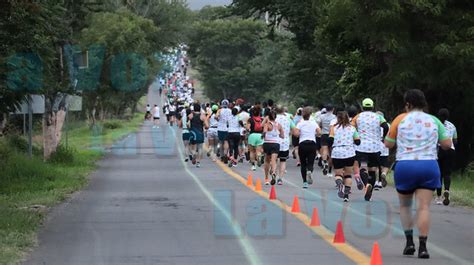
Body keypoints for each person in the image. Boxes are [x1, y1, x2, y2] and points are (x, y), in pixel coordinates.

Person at [385, 89, 452, 259]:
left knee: (405, 206)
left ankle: (409, 243)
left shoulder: (400, 119)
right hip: (428, 165)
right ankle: (423, 247)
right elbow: (446, 144)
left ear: (408, 104)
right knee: (423, 207)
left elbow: (388, 144)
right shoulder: (435, 120)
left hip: (405, 165)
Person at [352, 98, 389, 201]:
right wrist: (383, 137)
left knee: (362, 168)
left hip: (361, 146)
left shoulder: (358, 116)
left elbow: (351, 127)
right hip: (375, 147)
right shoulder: (378, 116)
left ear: (363, 107)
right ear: (372, 107)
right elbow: (386, 126)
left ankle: (366, 185)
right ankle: (370, 191)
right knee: (372, 170)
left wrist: (355, 138)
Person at [329, 111, 361, 202]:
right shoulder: (352, 128)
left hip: (337, 153)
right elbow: (358, 142)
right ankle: (346, 195)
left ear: (338, 118)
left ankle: (340, 185)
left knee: (338, 174)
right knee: (348, 175)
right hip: (349, 153)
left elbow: (330, 140)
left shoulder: (334, 128)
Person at [293, 107, 321, 189]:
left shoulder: (300, 123)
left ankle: (305, 182)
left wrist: (299, 133)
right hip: (312, 144)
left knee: (303, 164)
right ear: (310, 115)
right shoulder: (314, 123)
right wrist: (315, 134)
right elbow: (319, 132)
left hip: (303, 144)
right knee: (310, 162)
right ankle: (309, 171)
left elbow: (296, 134)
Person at [436, 108, 458, 206]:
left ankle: (439, 197)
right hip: (451, 150)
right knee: (447, 173)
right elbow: (455, 140)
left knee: (439, 174)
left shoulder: (436, 125)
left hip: (441, 149)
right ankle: (447, 190)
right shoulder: (452, 125)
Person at [262, 110, 284, 185]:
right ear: (275, 117)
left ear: (269, 116)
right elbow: (282, 136)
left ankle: (266, 179)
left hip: (267, 143)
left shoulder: (267, 124)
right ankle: (274, 172)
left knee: (267, 161)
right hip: (276, 144)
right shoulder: (279, 125)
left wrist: (263, 135)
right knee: (274, 160)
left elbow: (264, 131)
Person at [275, 105, 295, 185]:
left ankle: (273, 174)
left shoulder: (273, 118)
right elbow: (294, 130)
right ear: (284, 111)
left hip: (274, 142)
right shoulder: (288, 119)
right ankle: (280, 179)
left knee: (274, 160)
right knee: (283, 161)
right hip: (285, 142)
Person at [188, 103, 209, 168]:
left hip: (193, 133)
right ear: (199, 109)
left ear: (194, 109)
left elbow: (188, 124)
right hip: (200, 133)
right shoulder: (203, 116)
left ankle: (193, 154)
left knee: (190, 147)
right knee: (200, 148)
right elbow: (207, 126)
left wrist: (190, 128)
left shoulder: (190, 115)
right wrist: (205, 127)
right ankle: (198, 162)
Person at [318, 105, 336, 176]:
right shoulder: (334, 117)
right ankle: (330, 170)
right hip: (332, 135)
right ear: (333, 109)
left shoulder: (321, 116)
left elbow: (319, 124)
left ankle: (324, 161)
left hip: (324, 134)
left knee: (324, 149)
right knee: (331, 152)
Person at [376, 111, 390, 190]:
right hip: (384, 145)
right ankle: (383, 174)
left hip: (376, 146)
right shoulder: (388, 125)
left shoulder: (373, 125)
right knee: (385, 164)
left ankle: (376, 182)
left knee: (376, 165)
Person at [247, 107, 264, 171]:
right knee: (258, 151)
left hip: (252, 136)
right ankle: (259, 157)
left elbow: (248, 128)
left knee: (252, 151)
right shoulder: (262, 119)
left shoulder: (250, 119)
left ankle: (253, 165)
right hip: (260, 136)